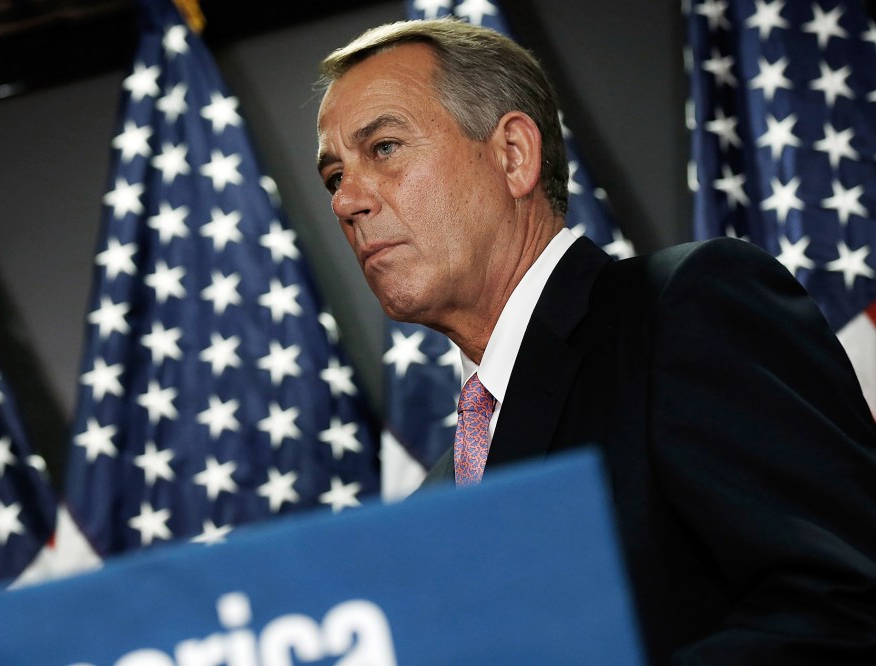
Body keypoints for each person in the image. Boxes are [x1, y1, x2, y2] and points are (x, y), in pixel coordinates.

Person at [315, 18, 876, 666]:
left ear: (513, 154)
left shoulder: (682, 310)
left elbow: (846, 600)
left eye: (384, 147)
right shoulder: (441, 496)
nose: (346, 202)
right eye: (333, 177)